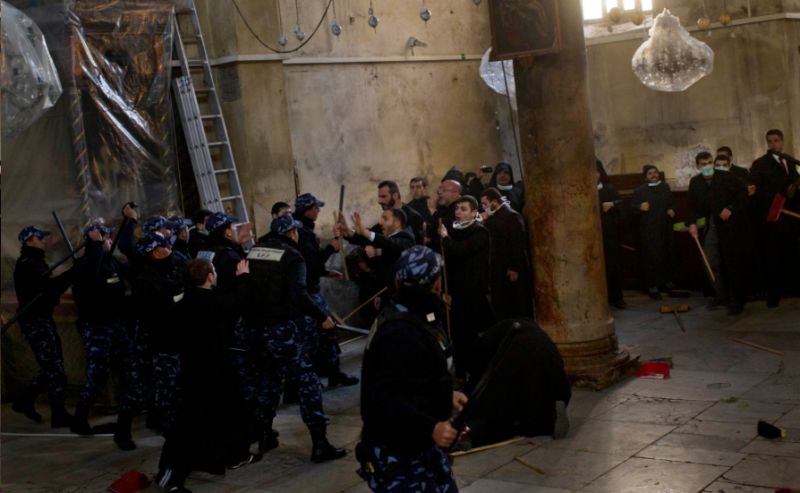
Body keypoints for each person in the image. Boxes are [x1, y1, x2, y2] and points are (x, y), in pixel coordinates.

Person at [357, 245, 465, 493]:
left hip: (420, 443)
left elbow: (413, 379)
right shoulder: (399, 332)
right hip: (398, 450)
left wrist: (445, 395)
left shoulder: (414, 314)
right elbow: (385, 400)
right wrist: (432, 427)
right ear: (436, 284)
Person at [244, 214, 347, 463]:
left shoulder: (254, 252)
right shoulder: (293, 256)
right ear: (292, 233)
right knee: (307, 382)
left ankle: (264, 435)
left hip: (254, 331)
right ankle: (320, 444)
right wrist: (322, 316)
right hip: (280, 329)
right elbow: (298, 295)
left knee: (267, 382)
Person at [156, 258, 260, 493]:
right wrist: (243, 275)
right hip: (211, 369)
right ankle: (171, 478)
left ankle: (235, 455)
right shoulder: (215, 302)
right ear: (210, 277)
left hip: (194, 368)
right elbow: (240, 300)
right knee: (190, 425)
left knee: (229, 412)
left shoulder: (185, 302)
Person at [71, 222, 142, 450]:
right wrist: (95, 245)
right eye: (105, 238)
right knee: (98, 374)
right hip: (97, 327)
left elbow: (132, 272)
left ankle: (123, 430)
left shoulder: (113, 262)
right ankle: (80, 416)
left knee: (130, 374)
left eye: (109, 238)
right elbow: (90, 273)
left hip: (118, 325)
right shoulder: (84, 264)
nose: (109, 241)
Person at [292, 193, 358, 387]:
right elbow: (311, 262)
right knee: (324, 331)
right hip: (308, 294)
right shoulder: (302, 233)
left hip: (306, 290)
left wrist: (326, 272)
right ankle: (318, 379)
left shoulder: (299, 229)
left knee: (320, 334)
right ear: (308, 210)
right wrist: (330, 248)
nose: (319, 211)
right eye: (316, 208)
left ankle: (328, 374)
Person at [11, 226, 75, 428]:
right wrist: (73, 273)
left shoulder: (34, 262)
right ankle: (58, 414)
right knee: (55, 369)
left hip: (41, 319)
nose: (44, 241)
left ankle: (26, 399)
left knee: (51, 366)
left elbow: (48, 288)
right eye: (40, 238)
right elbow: (48, 288)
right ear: (29, 241)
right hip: (35, 321)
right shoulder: (28, 264)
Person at [132, 232, 187, 434]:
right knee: (166, 388)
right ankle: (167, 427)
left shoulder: (171, 271)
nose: (171, 250)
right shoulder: (146, 281)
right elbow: (156, 315)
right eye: (167, 247)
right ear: (156, 252)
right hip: (163, 344)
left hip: (177, 339)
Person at [438, 196, 495, 379]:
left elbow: (460, 250)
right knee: (457, 334)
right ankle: (461, 370)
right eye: (457, 209)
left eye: (463, 209)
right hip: (456, 291)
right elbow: (448, 263)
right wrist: (446, 289)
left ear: (474, 213)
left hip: (472, 291)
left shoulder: (479, 232)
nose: (458, 212)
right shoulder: (455, 230)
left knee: (470, 335)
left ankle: (476, 373)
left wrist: (445, 238)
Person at [687, 153, 749, 315]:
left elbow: (743, 194)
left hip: (729, 226)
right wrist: (692, 223)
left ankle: (737, 299)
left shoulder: (725, 176)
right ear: (698, 166)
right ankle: (720, 295)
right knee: (709, 259)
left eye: (709, 162)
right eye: (703, 164)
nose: (707, 166)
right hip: (712, 225)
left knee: (732, 262)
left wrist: (730, 208)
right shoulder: (695, 182)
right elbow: (692, 205)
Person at [750, 129, 800, 307]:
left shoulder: (790, 161)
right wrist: (779, 195)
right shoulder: (760, 164)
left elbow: (795, 184)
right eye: (770, 141)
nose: (773, 144)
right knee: (773, 257)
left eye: (776, 140)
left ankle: (793, 288)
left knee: (792, 253)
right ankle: (774, 295)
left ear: (782, 141)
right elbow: (756, 191)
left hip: (792, 218)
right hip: (773, 218)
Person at [479, 187, 533, 318]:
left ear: (494, 202)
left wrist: (514, 267)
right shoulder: (494, 217)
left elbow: (518, 244)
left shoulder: (512, 216)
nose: (484, 207)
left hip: (510, 269)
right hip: (499, 268)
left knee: (515, 303)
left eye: (485, 204)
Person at [340, 208, 416, 294]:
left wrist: (367, 234)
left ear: (397, 223)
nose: (380, 222)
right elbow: (368, 241)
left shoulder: (407, 238)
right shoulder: (387, 237)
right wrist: (348, 232)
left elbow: (391, 244)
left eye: (385, 218)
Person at [630, 164, 676, 299]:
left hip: (665, 227)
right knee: (651, 258)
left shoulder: (665, 187)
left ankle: (666, 283)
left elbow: (670, 203)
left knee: (666, 254)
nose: (654, 175)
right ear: (645, 177)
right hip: (649, 230)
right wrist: (640, 207)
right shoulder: (640, 191)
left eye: (655, 173)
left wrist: (671, 209)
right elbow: (632, 208)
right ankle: (652, 286)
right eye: (650, 173)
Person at [596, 161, 626, 309]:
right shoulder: (582, 191)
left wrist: (613, 204)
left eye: (596, 172)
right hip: (593, 236)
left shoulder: (609, 188)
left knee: (613, 266)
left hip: (609, 234)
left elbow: (622, 204)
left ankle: (617, 297)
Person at [429, 179, 462, 253]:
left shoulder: (461, 209)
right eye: (439, 190)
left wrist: (433, 211)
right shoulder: (443, 207)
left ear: (455, 193)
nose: (440, 193)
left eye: (444, 190)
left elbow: (450, 227)